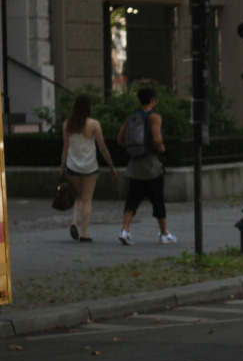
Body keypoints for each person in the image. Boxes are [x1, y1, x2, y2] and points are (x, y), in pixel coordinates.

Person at [116, 86, 174, 245]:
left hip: (134, 166)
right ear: (153, 100)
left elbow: (120, 139)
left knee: (132, 198)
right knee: (158, 199)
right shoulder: (154, 117)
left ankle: (125, 229)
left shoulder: (131, 117)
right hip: (151, 165)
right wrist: (161, 147)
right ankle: (164, 233)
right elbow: (157, 139)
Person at [60, 94, 116, 243]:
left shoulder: (67, 124)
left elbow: (65, 148)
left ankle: (73, 222)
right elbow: (102, 148)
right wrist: (111, 165)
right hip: (90, 166)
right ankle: (84, 234)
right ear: (88, 108)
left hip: (73, 166)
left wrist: (62, 167)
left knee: (78, 197)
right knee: (87, 200)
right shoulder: (94, 124)